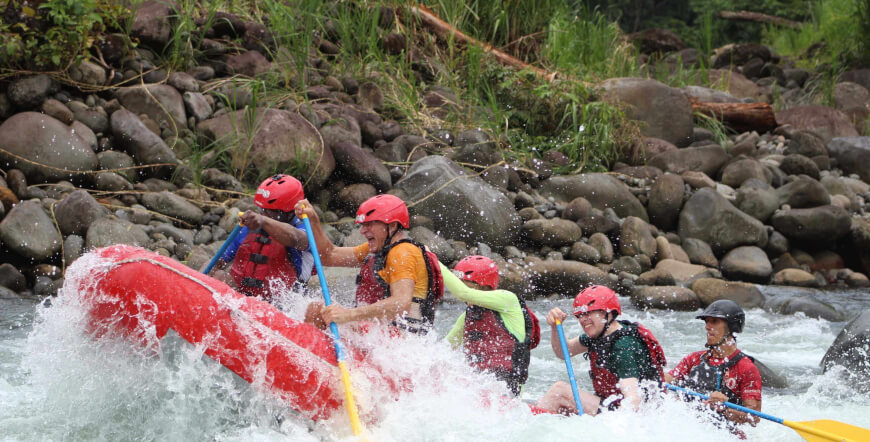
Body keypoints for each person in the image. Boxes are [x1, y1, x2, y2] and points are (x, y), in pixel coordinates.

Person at [295, 194, 443, 335]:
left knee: (317, 311)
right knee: (317, 310)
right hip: (382, 332)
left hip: (402, 338)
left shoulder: (403, 252)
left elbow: (401, 303)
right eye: (363, 225)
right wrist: (314, 220)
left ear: (391, 226)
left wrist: (348, 314)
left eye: (369, 224)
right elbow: (329, 256)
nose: (363, 231)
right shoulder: (380, 248)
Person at [535, 285, 666, 415]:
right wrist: (554, 327)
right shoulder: (598, 336)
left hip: (637, 414)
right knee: (559, 407)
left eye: (588, 313)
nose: (583, 319)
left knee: (559, 392)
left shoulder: (624, 346)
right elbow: (564, 352)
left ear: (608, 313)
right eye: (580, 315)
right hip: (613, 405)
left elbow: (633, 400)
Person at [442, 255, 541, 396]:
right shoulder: (467, 317)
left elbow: (463, 293)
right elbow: (444, 349)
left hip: (507, 390)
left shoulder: (508, 300)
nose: (462, 288)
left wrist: (433, 259)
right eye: (460, 283)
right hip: (479, 385)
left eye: (466, 284)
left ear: (484, 285)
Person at [207, 174, 313, 302]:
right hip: (245, 299)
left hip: (285, 304)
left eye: (272, 212)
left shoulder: (304, 229)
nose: (265, 214)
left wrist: (263, 221)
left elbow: (298, 239)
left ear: (290, 211)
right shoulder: (250, 227)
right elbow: (217, 262)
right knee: (217, 276)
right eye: (262, 210)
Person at [665, 300, 762, 428]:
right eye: (707, 321)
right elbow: (665, 380)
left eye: (714, 321)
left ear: (731, 327)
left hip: (725, 433)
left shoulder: (746, 368)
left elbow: (754, 418)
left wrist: (725, 408)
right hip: (690, 427)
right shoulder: (694, 359)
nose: (707, 326)